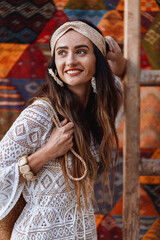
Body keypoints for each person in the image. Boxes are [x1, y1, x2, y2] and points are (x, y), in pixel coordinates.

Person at [0, 20, 126, 240]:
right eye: (62, 52)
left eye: (81, 51)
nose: (70, 61)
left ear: (98, 59)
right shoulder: (40, 115)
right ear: (54, 62)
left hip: (82, 233)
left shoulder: (100, 109)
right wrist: (46, 153)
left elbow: (118, 79)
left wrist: (120, 59)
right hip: (38, 234)